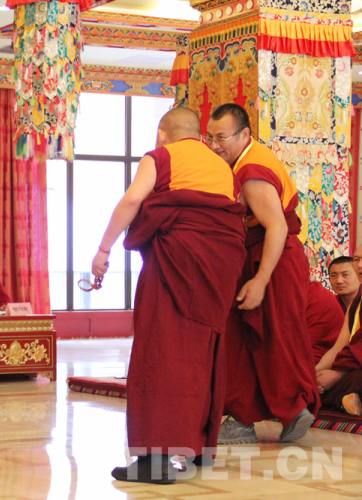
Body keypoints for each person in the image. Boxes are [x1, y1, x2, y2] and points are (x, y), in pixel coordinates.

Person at [91, 107, 246, 484]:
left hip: (171, 273)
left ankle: (154, 461)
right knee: (199, 361)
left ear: (162, 134)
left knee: (159, 357)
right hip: (215, 277)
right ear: (201, 135)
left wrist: (104, 249)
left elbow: (132, 201)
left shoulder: (160, 157)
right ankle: (197, 450)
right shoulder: (223, 168)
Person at [206, 103, 319, 445]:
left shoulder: (252, 172)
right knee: (251, 338)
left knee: (268, 338)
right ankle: (250, 416)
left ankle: (290, 408)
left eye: (222, 138)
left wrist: (259, 281)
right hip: (268, 258)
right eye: (210, 137)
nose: (214, 146)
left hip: (271, 263)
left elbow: (277, 227)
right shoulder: (252, 157)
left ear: (244, 134)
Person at [315, 284, 362, 416]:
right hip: (352, 365)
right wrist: (312, 375)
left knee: (357, 378)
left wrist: (338, 374)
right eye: (356, 261)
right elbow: (338, 347)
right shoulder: (357, 303)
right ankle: (348, 399)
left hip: (353, 368)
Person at [306, 281, 345, 364]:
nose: (339, 280)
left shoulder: (318, 297)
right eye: (333, 275)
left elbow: (339, 348)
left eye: (345, 275)